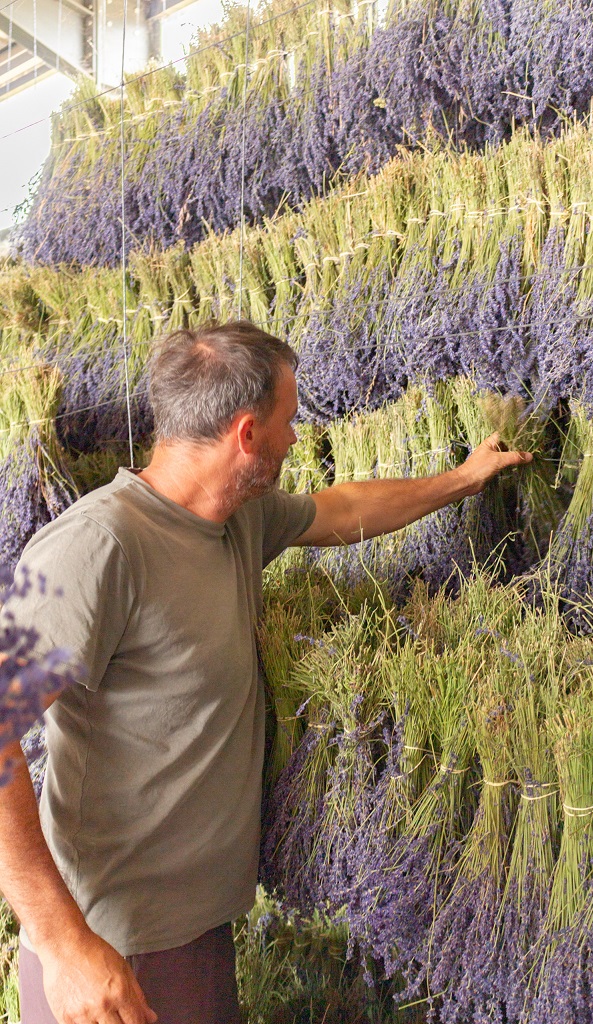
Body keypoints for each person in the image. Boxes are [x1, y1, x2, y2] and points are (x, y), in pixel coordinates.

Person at [0, 321, 532, 1024]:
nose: (293, 437)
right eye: (288, 421)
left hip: (190, 933)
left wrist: (461, 480)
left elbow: (342, 510)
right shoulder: (96, 548)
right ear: (247, 434)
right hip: (113, 951)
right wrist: (63, 943)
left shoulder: (235, 520)